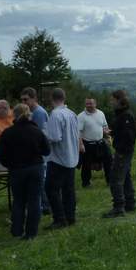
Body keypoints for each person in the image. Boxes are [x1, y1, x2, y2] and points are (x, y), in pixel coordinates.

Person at [0, 104, 50, 240]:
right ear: (29, 115)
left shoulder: (8, 133)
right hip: (35, 168)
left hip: (17, 170)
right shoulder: (36, 131)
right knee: (34, 200)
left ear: (13, 115)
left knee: (18, 200)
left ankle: (17, 230)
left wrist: (10, 164)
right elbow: (47, 150)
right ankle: (31, 233)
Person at [44, 88, 81, 229]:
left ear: (51, 98)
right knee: (68, 190)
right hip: (71, 157)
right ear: (64, 98)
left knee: (51, 189)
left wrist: (44, 136)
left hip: (58, 158)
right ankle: (70, 216)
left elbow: (55, 137)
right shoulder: (71, 113)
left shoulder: (55, 114)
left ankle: (59, 218)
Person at [104, 89, 136, 218]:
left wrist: (122, 150)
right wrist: (111, 132)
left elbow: (129, 136)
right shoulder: (120, 114)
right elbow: (119, 129)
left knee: (115, 179)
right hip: (124, 150)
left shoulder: (126, 116)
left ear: (119, 100)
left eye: (112, 99)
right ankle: (130, 203)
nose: (111, 102)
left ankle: (118, 207)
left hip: (123, 151)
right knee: (126, 177)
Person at [20, 87, 52, 214]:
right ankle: (44, 204)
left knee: (42, 180)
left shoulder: (39, 113)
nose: (24, 102)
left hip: (39, 153)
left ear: (34, 99)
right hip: (33, 154)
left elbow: (40, 135)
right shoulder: (30, 112)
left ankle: (46, 205)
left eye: (26, 99)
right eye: (22, 100)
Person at [77, 97, 112, 187]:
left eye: (90, 103)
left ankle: (110, 181)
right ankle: (86, 183)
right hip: (87, 144)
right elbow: (78, 132)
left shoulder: (101, 113)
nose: (88, 105)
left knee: (109, 160)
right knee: (86, 165)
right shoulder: (81, 116)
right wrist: (80, 144)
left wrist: (108, 137)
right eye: (87, 103)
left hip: (100, 142)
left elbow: (105, 127)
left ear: (95, 104)